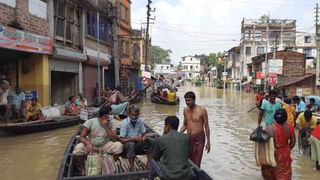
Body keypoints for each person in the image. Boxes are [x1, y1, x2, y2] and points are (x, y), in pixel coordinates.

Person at [73, 105, 123, 175]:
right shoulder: (90, 122)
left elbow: (114, 139)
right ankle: (83, 169)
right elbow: (82, 137)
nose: (112, 116)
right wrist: (88, 143)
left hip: (105, 145)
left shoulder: (111, 123)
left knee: (119, 146)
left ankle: (107, 164)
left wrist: (106, 127)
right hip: (92, 146)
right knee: (78, 149)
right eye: (110, 114)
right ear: (105, 116)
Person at [262, 108, 296, 179]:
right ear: (286, 117)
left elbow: (264, 145)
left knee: (273, 173)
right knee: (285, 173)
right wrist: (287, 149)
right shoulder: (290, 128)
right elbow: (293, 142)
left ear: (275, 117)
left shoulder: (269, 128)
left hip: (273, 154)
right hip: (285, 153)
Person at [179, 91, 211, 167]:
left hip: (199, 139)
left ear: (194, 100)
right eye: (186, 100)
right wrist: (178, 134)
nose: (187, 102)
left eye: (189, 100)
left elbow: (206, 126)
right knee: (187, 160)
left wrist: (208, 142)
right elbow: (185, 125)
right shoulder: (185, 110)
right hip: (188, 138)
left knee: (196, 162)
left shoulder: (202, 110)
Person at [119, 105, 154, 171]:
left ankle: (148, 165)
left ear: (138, 114)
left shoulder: (140, 121)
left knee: (152, 141)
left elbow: (143, 133)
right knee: (131, 144)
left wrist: (144, 136)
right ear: (129, 114)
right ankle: (132, 168)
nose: (134, 117)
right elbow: (121, 140)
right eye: (132, 115)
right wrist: (133, 139)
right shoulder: (125, 123)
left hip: (137, 144)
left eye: (136, 115)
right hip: (126, 146)